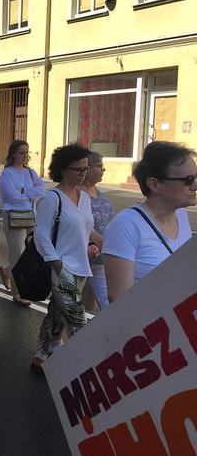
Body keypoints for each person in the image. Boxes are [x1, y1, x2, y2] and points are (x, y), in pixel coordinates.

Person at [31, 143, 96, 374]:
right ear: (63, 169)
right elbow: (41, 234)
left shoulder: (85, 197)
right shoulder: (51, 198)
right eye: (78, 169)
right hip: (63, 268)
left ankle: (41, 357)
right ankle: (83, 369)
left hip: (82, 266)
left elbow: (85, 228)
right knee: (79, 321)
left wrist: (94, 243)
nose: (83, 174)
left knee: (56, 314)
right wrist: (56, 263)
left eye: (86, 169)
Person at [104, 142, 196, 302]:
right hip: (151, 325)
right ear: (154, 184)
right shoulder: (125, 226)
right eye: (188, 180)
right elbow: (119, 299)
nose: (194, 185)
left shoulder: (181, 215)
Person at [0, 140, 46, 306]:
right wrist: (29, 193)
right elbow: (9, 195)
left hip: (30, 215)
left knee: (30, 253)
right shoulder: (7, 173)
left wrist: (23, 191)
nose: (25, 156)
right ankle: (18, 293)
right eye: (21, 152)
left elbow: (41, 190)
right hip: (13, 216)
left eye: (27, 152)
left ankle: (6, 270)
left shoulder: (31, 173)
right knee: (17, 254)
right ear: (13, 154)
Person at [80, 151, 114, 312]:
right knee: (66, 308)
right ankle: (55, 336)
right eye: (99, 166)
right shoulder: (76, 193)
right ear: (87, 168)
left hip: (100, 258)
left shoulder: (97, 191)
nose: (103, 170)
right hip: (81, 256)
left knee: (108, 304)